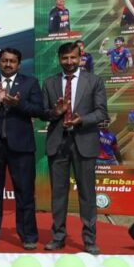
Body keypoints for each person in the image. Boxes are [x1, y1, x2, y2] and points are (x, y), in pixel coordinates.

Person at [42, 41, 108, 254]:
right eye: (65, 58)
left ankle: (89, 240)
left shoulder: (94, 81)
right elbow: (43, 113)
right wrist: (55, 112)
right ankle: (58, 237)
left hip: (84, 142)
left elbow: (101, 113)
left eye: (73, 57)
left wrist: (82, 120)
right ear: (59, 60)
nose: (69, 62)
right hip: (58, 143)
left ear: (80, 58)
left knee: (87, 194)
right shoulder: (50, 83)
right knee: (58, 194)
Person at [0, 48, 43, 249]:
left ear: (19, 64)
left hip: (21, 147)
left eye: (12, 61)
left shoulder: (30, 83)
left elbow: (39, 110)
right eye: (4, 60)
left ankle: (28, 236)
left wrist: (18, 104)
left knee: (25, 193)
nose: (8, 64)